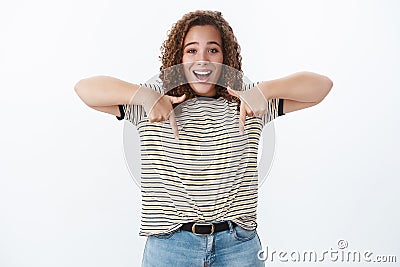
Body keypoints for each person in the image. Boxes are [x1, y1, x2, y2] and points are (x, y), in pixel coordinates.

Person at [74, 10, 332, 267]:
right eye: (191, 50)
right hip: (170, 247)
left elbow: (321, 87)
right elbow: (85, 89)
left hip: (237, 246)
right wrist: (144, 96)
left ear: (225, 56)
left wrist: (265, 90)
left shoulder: (249, 102)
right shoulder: (154, 103)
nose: (202, 60)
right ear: (178, 57)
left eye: (213, 50)